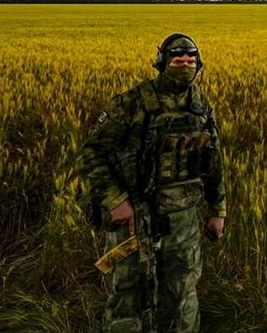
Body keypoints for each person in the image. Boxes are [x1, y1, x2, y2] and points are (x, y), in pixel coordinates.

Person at [81, 33, 227, 333]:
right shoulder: (133, 102)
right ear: (162, 63)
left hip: (183, 219)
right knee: (128, 297)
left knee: (182, 294)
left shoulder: (200, 105)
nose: (184, 66)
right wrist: (115, 201)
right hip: (134, 217)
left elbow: (214, 161)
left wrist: (217, 210)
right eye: (177, 60)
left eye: (190, 61)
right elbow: (90, 154)